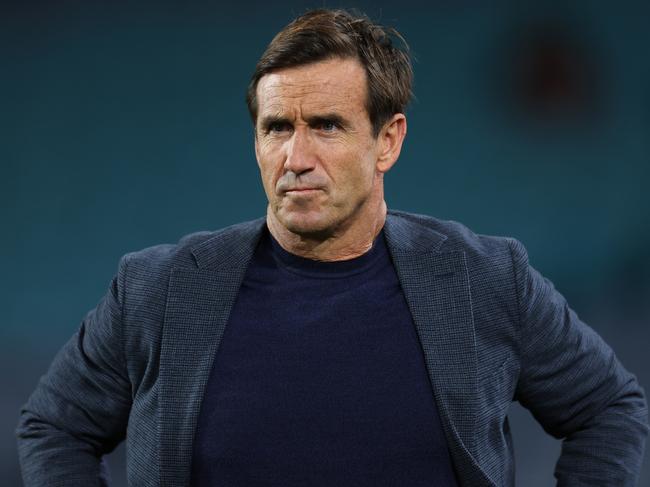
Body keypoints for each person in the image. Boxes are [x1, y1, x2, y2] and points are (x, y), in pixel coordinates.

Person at [16, 8, 648, 487]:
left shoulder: (484, 277)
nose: (296, 158)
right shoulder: (159, 288)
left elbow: (610, 408)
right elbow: (54, 428)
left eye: (325, 125)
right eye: (276, 129)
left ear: (388, 141)